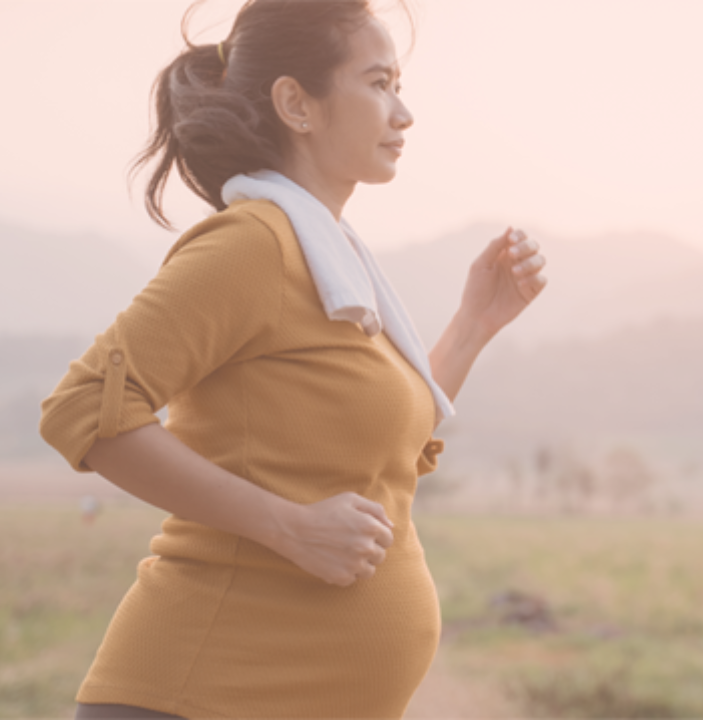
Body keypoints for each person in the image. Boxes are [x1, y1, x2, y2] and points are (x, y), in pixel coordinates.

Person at [38, 1, 547, 717]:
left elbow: (389, 461)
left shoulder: (337, 266)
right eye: (378, 83)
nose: (403, 113)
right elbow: (83, 408)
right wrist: (288, 526)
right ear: (295, 104)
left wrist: (474, 324)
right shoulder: (254, 245)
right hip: (201, 693)